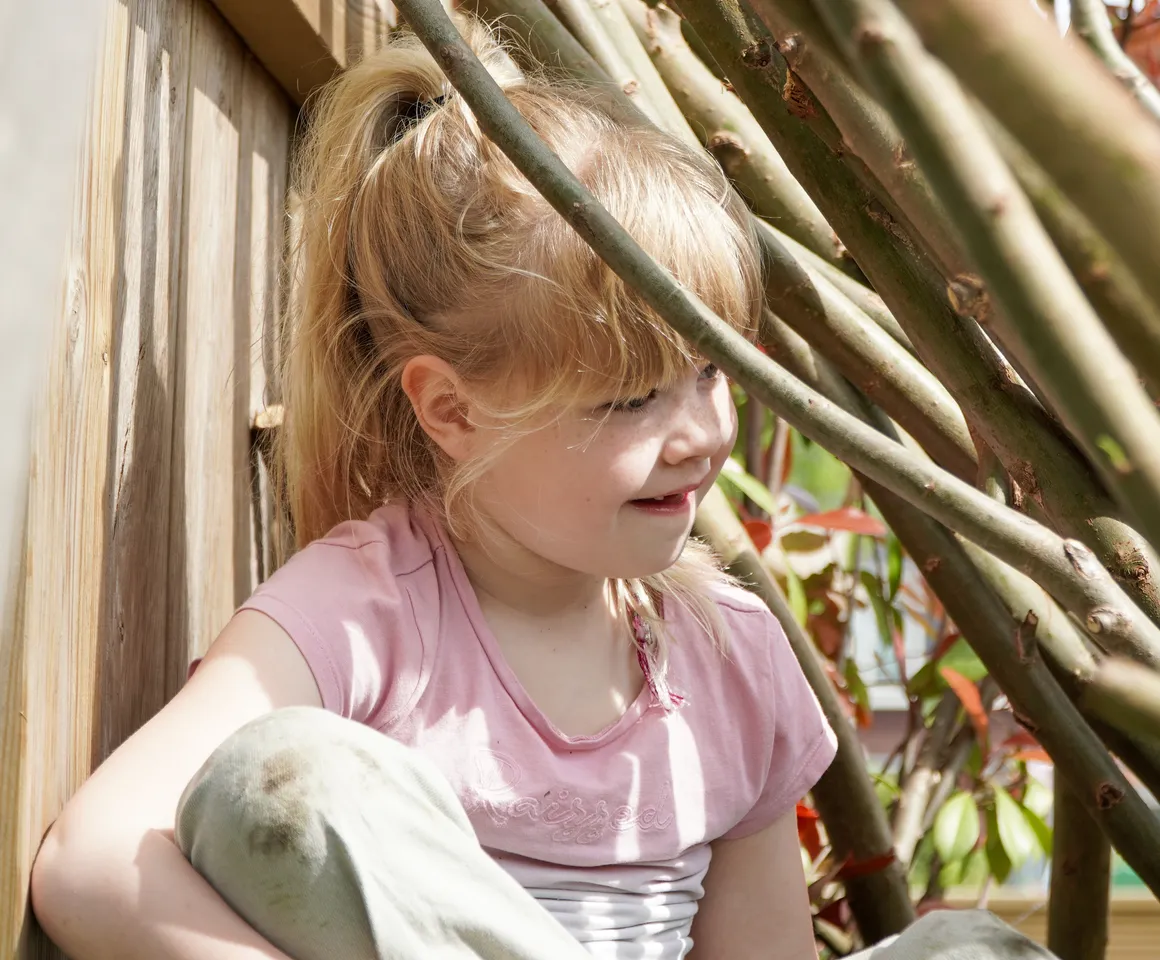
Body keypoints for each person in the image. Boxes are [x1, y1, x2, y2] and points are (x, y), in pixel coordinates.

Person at [29, 14, 1057, 960]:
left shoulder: (731, 654)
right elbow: (92, 862)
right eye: (629, 401)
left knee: (968, 951)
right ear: (452, 410)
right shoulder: (364, 614)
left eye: (709, 373)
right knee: (282, 776)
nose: (701, 435)